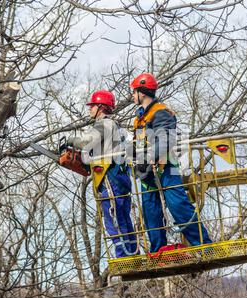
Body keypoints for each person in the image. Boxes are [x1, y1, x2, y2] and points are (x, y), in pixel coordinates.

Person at [130, 73, 212, 253]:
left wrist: (149, 156)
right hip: (147, 172)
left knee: (178, 206)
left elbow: (167, 138)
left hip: (166, 168)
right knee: (151, 211)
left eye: (134, 92)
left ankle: (204, 245)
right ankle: (157, 249)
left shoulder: (160, 112)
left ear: (142, 92)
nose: (132, 96)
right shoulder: (140, 118)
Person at [67, 90, 138, 258]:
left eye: (92, 106)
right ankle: (132, 253)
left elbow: (86, 142)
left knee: (113, 219)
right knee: (122, 218)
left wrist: (70, 140)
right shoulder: (115, 127)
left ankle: (124, 256)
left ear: (100, 107)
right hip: (119, 176)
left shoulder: (104, 124)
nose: (90, 109)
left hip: (110, 178)